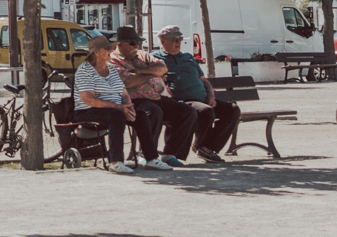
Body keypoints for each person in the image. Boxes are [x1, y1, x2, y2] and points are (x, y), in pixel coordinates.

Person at [157, 24, 240, 162]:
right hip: (181, 101)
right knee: (205, 111)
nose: (178, 42)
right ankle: (191, 149)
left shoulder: (188, 57)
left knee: (232, 110)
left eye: (180, 39)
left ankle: (206, 148)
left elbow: (204, 80)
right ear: (163, 41)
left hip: (202, 99)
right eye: (174, 39)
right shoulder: (156, 58)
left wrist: (211, 95)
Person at [113, 25, 191, 169]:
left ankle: (170, 154)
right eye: (132, 43)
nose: (136, 45)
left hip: (154, 96)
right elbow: (128, 81)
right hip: (132, 100)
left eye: (138, 42)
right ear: (120, 44)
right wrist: (152, 74)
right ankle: (146, 156)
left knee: (186, 111)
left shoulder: (142, 55)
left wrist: (138, 71)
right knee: (153, 111)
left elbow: (163, 68)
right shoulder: (113, 60)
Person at [71, 40, 137, 173]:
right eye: (107, 48)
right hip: (88, 110)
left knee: (143, 114)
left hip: (114, 109)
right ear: (96, 52)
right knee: (116, 115)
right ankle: (115, 161)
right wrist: (118, 107)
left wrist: (129, 106)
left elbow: (123, 93)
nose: (112, 50)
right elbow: (89, 99)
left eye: (112, 47)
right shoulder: (85, 70)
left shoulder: (112, 69)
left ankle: (151, 158)